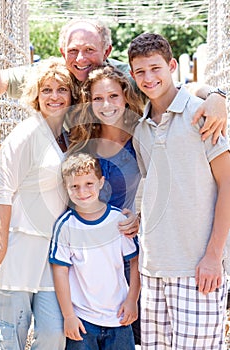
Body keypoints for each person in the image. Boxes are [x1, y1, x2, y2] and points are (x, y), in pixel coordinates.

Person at [0, 18, 228, 144]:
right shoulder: (53, 75)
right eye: (72, 51)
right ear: (63, 53)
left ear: (106, 52)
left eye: (89, 50)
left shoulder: (121, 79)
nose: (80, 58)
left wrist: (216, 95)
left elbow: (176, 88)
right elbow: (2, 79)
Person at [128, 32, 230, 349]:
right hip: (153, 267)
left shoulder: (203, 114)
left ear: (172, 66)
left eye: (156, 68)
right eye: (141, 71)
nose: (149, 77)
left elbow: (228, 184)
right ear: (132, 75)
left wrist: (213, 256)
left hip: (198, 266)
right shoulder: (140, 128)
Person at [0, 57, 80, 350]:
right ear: (35, 94)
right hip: (18, 248)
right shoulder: (23, 135)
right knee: (13, 338)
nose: (54, 96)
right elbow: (2, 194)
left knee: (53, 334)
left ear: (72, 95)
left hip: (51, 252)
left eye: (61, 89)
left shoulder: (66, 135)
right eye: (46, 89)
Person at [67, 64, 143, 344]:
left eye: (113, 96)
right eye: (97, 98)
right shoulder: (81, 139)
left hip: (124, 245)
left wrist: (139, 217)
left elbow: (163, 185)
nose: (106, 104)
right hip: (85, 254)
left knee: (127, 330)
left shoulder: (142, 135)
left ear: (125, 97)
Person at [49, 152, 141, 350]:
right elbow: (60, 271)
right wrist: (68, 316)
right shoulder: (65, 226)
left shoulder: (118, 221)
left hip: (118, 318)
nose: (82, 192)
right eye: (74, 186)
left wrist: (132, 299)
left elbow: (135, 262)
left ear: (101, 182)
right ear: (66, 188)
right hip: (82, 321)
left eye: (89, 184)